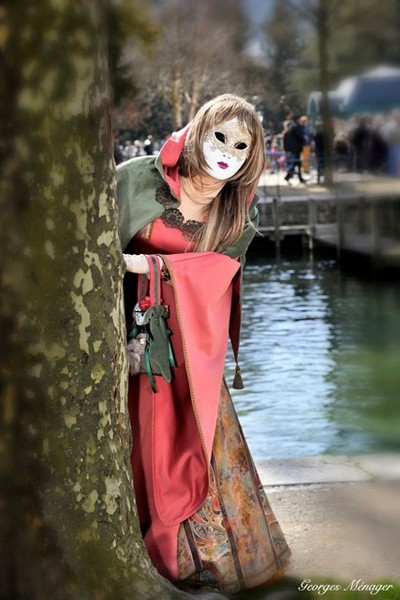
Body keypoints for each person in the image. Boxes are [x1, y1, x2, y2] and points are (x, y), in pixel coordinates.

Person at [116, 94, 291, 594]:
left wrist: (151, 265)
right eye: (220, 135)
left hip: (190, 356)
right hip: (125, 347)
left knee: (196, 450)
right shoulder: (137, 179)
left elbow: (218, 279)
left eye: (241, 145)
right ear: (198, 130)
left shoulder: (236, 218)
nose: (227, 150)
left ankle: (195, 561)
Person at [283, 115, 306, 184]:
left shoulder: (292, 128)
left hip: (293, 149)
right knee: (295, 164)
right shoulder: (296, 127)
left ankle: (299, 177)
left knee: (296, 164)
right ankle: (289, 177)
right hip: (295, 149)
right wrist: (304, 138)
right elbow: (299, 137)